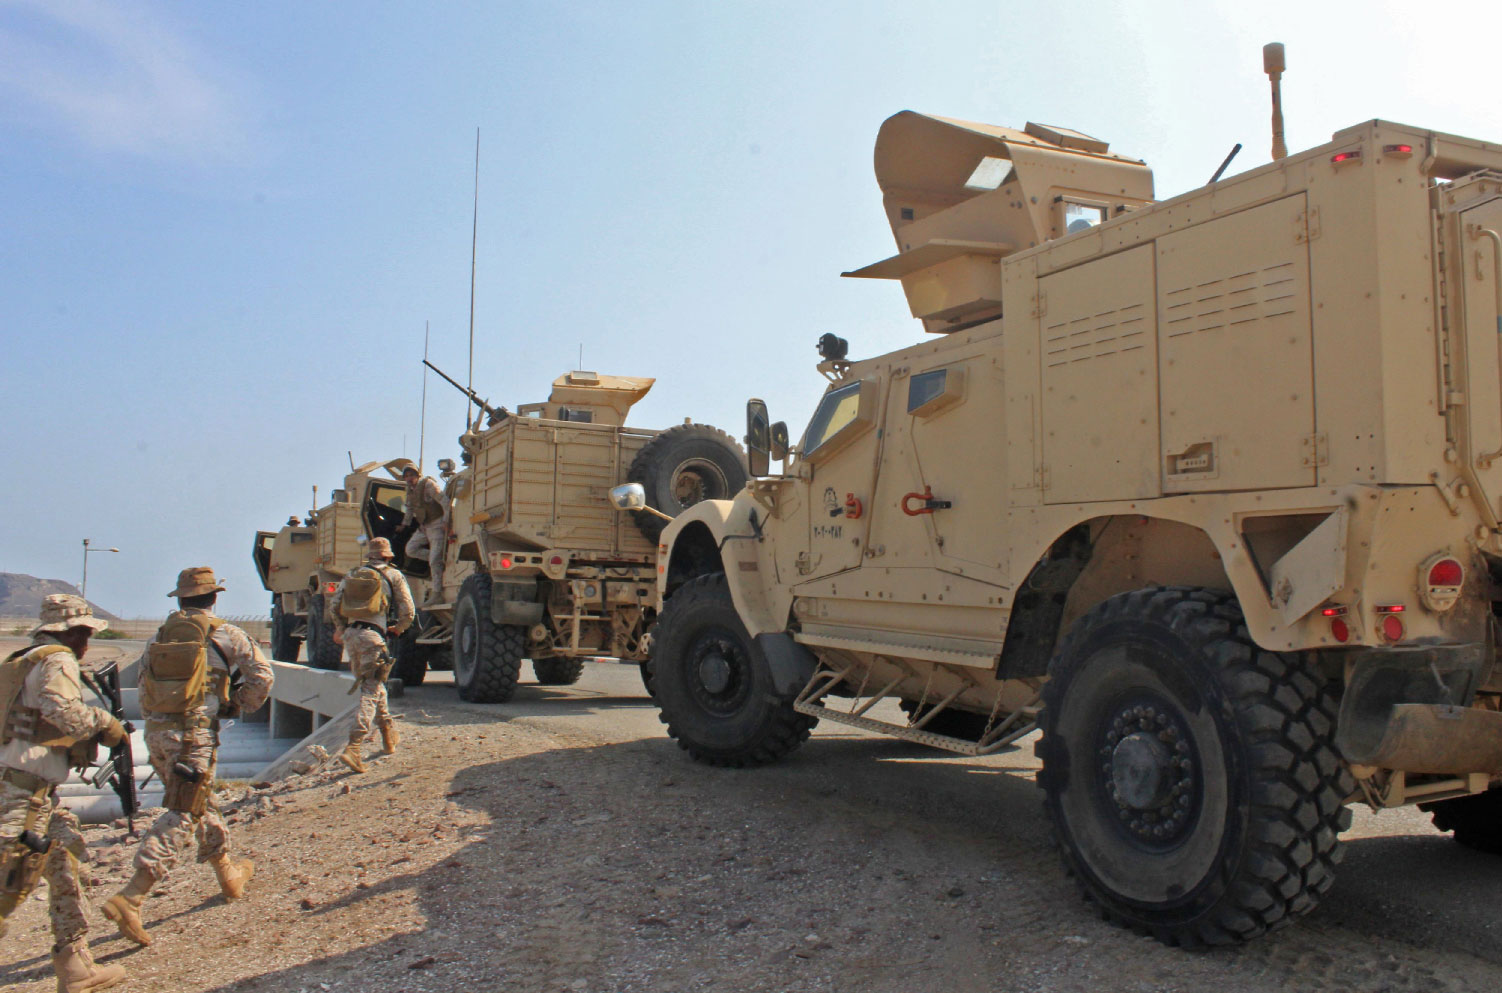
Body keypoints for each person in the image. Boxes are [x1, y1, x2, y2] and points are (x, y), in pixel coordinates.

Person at [103, 567, 273, 948]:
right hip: (194, 734)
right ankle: (132, 895)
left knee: (198, 802)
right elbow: (262, 677)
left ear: (180, 599)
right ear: (214, 598)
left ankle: (228, 872)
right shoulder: (229, 635)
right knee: (184, 808)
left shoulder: (158, 638)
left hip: (158, 733)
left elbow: (145, 684)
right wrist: (236, 706)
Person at [0, 594, 128, 992]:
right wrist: (106, 724)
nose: (87, 643)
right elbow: (64, 712)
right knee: (10, 884)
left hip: (34, 791)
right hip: (21, 795)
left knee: (67, 859)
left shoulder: (22, 660)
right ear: (69, 632)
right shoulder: (58, 659)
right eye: (84, 634)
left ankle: (75, 966)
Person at [327, 538, 415, 773]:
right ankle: (354, 747)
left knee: (374, 684)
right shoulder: (394, 576)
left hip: (352, 637)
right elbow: (408, 610)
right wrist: (399, 628)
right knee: (370, 689)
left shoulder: (353, 573)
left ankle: (388, 733)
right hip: (374, 637)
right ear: (388, 556)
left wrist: (340, 628)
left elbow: (334, 604)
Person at [400, 464, 449, 600]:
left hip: (437, 524)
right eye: (407, 476)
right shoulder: (410, 491)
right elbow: (410, 509)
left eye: (412, 475)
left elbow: (445, 502)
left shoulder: (428, 485)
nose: (409, 478)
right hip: (425, 526)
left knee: (433, 561)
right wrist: (404, 525)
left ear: (417, 475)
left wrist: (446, 521)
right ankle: (440, 558)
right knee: (410, 549)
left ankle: (437, 593)